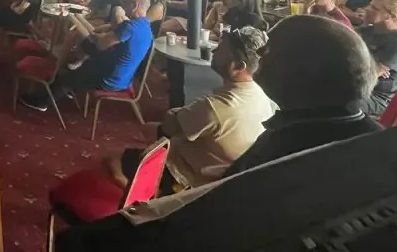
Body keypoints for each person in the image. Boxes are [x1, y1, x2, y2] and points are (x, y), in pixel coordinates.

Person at [106, 27, 273, 191]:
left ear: (238, 66)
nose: (214, 51)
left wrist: (175, 115)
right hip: (216, 178)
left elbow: (168, 125)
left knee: (115, 157)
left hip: (183, 178)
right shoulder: (265, 100)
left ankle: (142, 191)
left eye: (221, 49)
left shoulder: (215, 108)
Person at [224, 15, 381, 176]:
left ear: (305, 72)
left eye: (271, 46)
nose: (260, 51)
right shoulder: (371, 136)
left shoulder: (292, 150)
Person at [20, 0, 154, 113]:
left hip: (110, 78)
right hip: (124, 77)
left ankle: (42, 102)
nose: (124, 6)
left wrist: (94, 35)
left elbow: (101, 45)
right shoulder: (147, 29)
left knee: (65, 74)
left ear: (134, 5)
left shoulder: (129, 27)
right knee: (79, 58)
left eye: (126, 2)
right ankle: (74, 75)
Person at [358, 0, 397, 117]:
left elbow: (366, 78)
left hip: (375, 97)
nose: (367, 8)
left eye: (374, 8)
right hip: (359, 87)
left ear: (391, 16)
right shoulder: (368, 30)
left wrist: (369, 68)